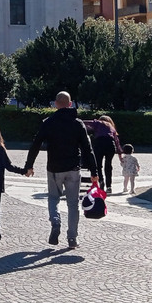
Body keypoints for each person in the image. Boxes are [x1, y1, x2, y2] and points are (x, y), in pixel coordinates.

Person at [24, 91, 95, 249]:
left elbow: (36, 144)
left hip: (54, 168)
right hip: (73, 168)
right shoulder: (78, 123)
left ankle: (55, 221)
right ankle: (72, 238)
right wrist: (94, 171)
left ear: (56, 104)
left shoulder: (48, 122)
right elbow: (87, 149)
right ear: (70, 104)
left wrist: (29, 165)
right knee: (73, 204)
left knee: (53, 198)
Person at [83, 115, 122, 192]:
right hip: (111, 145)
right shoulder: (112, 127)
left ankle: (101, 181)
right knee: (108, 165)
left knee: (98, 165)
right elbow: (117, 141)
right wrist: (120, 155)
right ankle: (109, 186)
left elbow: (86, 122)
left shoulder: (98, 122)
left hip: (99, 143)